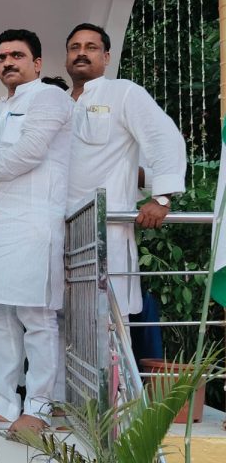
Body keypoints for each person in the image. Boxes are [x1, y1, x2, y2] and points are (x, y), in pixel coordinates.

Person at [0, 29, 72, 433]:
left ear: (37, 63)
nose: (8, 62)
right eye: (2, 57)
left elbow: (30, 151)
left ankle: (39, 407)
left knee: (36, 317)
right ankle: (3, 401)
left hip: (30, 222)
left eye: (17, 55)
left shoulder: (50, 97)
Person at [65, 23, 186, 316]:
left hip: (107, 229)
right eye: (74, 47)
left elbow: (164, 138)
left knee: (108, 321)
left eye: (91, 47)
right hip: (59, 228)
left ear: (106, 57)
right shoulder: (58, 104)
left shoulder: (123, 92)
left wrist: (162, 198)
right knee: (62, 320)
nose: (81, 53)